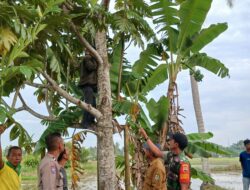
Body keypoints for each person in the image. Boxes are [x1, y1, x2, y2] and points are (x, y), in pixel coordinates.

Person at [78, 50, 98, 129]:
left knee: (93, 105)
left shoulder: (90, 58)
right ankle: (85, 122)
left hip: (91, 86)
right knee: (89, 104)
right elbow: (91, 67)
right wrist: (96, 60)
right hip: (87, 85)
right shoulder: (87, 58)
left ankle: (90, 120)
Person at [0, 125, 22, 190]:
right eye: (14, 155)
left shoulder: (18, 170)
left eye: (19, 155)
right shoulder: (3, 168)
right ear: (7, 157)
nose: (17, 157)